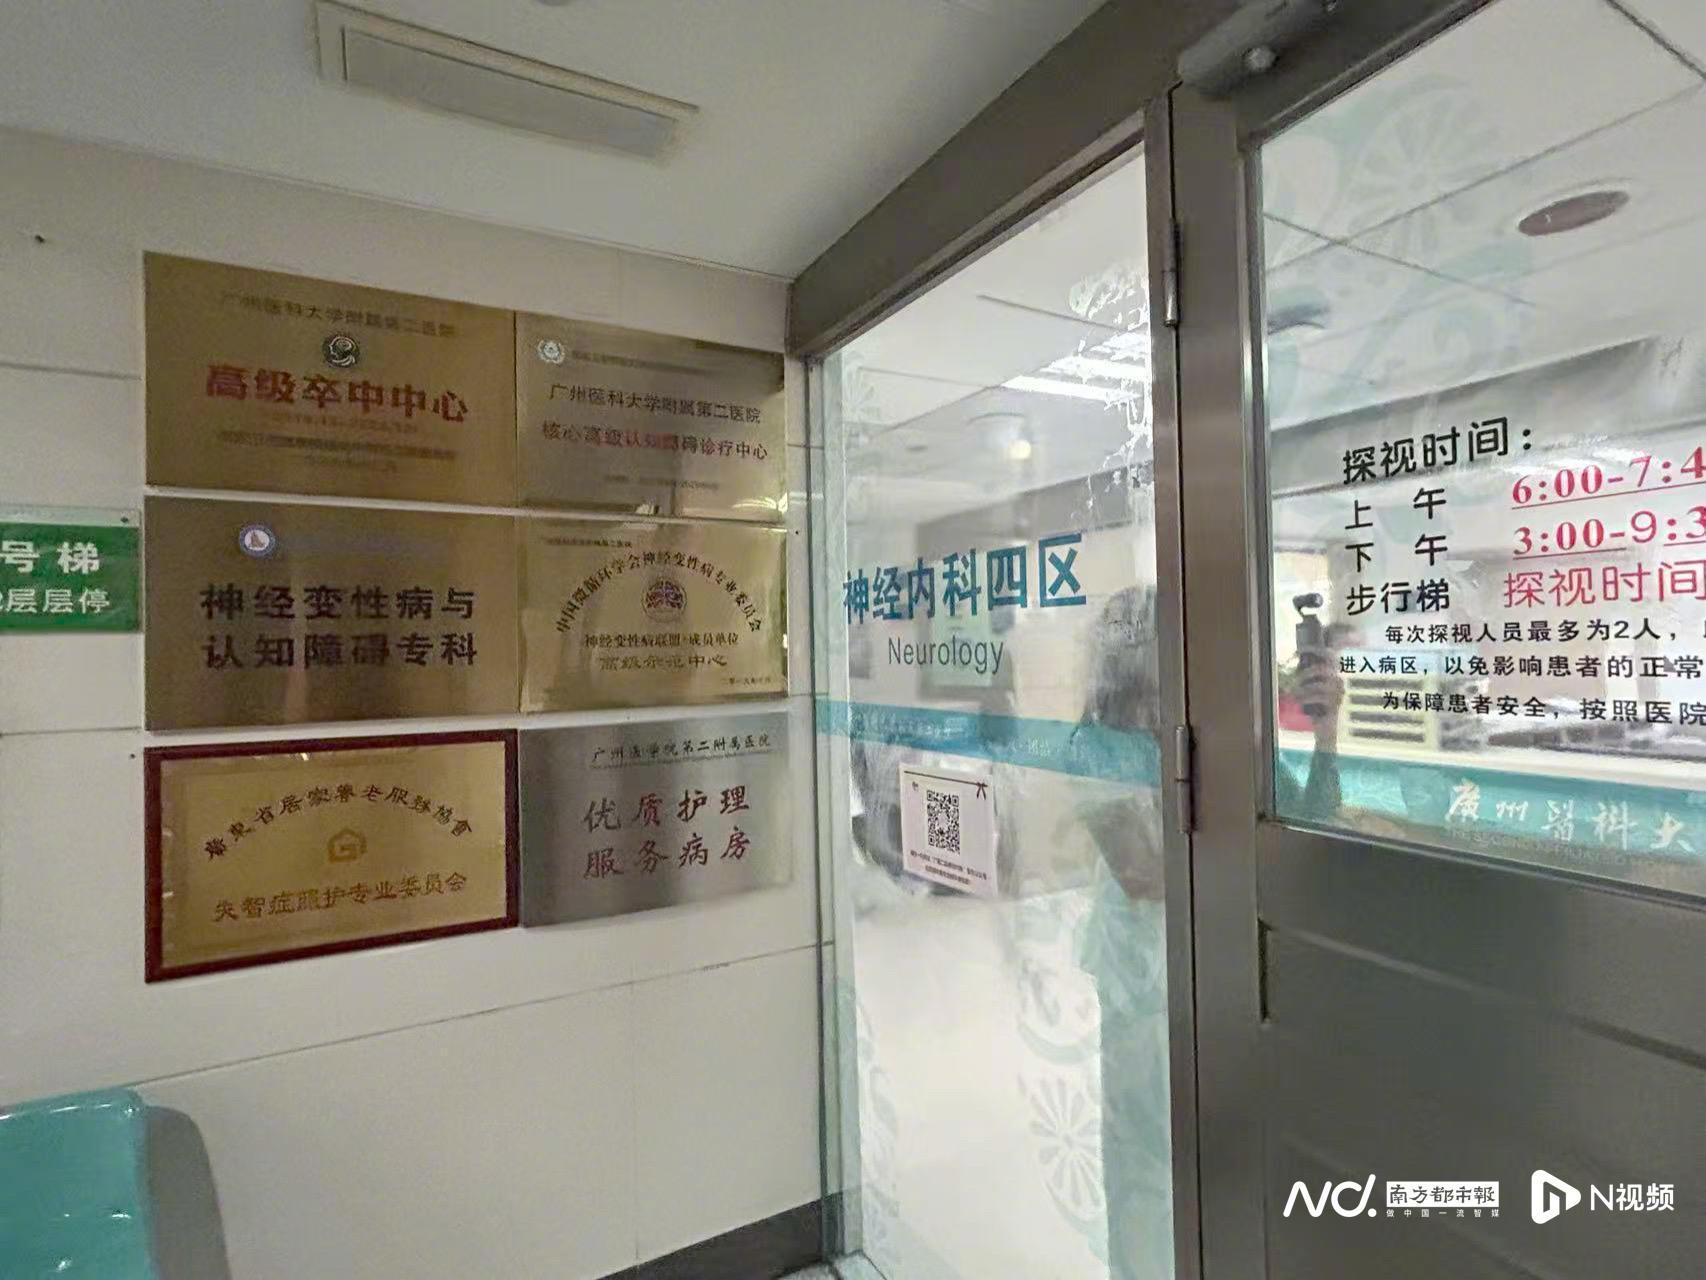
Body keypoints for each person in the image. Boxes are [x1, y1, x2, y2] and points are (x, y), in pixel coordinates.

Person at [1078, 586, 1342, 1278]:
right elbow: (1143, 872)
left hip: (1224, 969)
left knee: (1223, 1156)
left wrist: (1324, 731)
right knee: (1146, 1159)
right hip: (1142, 980)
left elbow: (1311, 821)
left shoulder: (1224, 731)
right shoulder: (1096, 743)